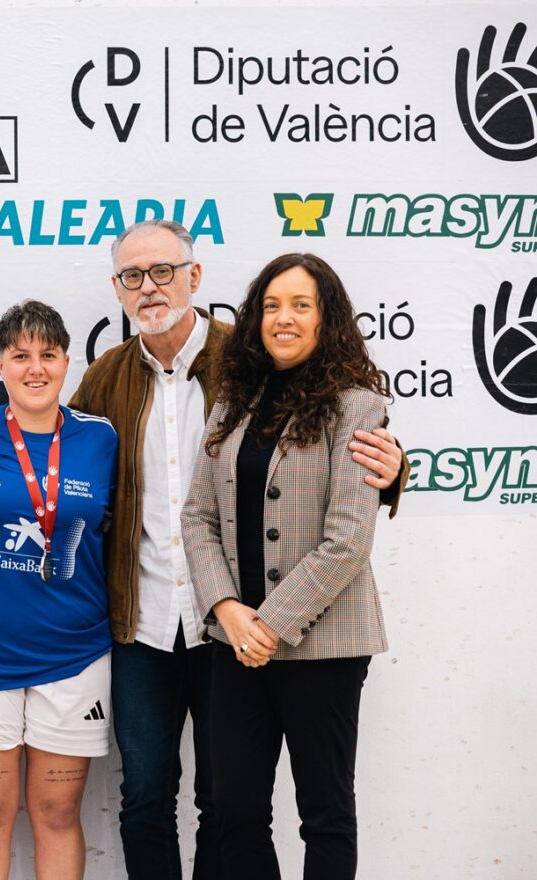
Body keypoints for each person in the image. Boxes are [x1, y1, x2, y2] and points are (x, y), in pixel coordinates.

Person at [0, 219, 405, 880]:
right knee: (146, 798)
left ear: (195, 276)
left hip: (234, 624)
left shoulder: (242, 363)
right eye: (133, 276)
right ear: (117, 289)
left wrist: (393, 468)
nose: (149, 287)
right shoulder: (103, 377)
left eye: (162, 271)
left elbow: (320, 421)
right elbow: (46, 450)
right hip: (141, 622)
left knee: (229, 802)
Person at [180, 252, 390, 879]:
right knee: (234, 810)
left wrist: (266, 625)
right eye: (271, 306)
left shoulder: (358, 407)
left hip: (323, 645)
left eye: (301, 305)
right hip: (234, 643)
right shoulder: (233, 402)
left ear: (327, 319)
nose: (283, 318)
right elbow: (197, 517)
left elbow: (347, 541)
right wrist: (227, 612)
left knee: (324, 813)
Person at [0, 300, 117, 880]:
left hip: (75, 654)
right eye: (20, 356)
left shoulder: (99, 438)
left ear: (67, 362)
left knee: (58, 812)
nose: (34, 368)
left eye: (48, 355)